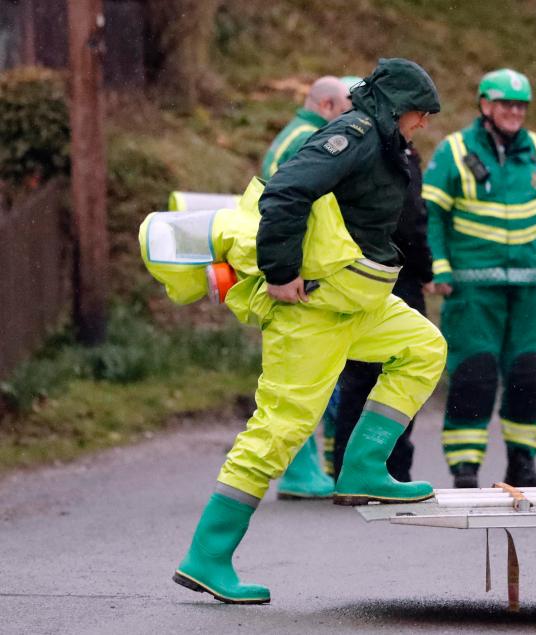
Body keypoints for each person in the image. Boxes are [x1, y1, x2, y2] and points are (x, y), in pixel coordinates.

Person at [172, 58, 445, 605]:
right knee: (279, 429)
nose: (423, 126)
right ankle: (208, 556)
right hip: (314, 311)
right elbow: (285, 193)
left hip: (357, 302)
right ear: (398, 108)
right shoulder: (355, 135)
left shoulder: (384, 142)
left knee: (422, 348)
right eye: (419, 115)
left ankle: (364, 467)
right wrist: (279, 273)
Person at [422, 68, 536, 489]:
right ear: (485, 106)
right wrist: (436, 265)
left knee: (529, 375)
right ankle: (464, 468)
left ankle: (523, 463)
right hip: (473, 292)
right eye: (505, 104)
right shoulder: (454, 151)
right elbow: (431, 215)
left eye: (520, 105)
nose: (514, 112)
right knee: (473, 376)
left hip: (529, 292)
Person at [258, 75, 355, 499]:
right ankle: (300, 471)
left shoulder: (293, 135)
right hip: (296, 276)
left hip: (286, 269)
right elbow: (296, 207)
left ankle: (312, 467)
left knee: (300, 373)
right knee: (302, 375)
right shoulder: (310, 139)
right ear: (330, 106)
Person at [327, 141, 433, 482]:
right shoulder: (395, 154)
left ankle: (344, 468)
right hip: (394, 272)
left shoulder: (352, 151)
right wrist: (426, 267)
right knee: (402, 371)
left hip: (354, 273)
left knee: (357, 375)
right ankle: (391, 469)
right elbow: (410, 217)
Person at [260, 75, 352, 179]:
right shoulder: (310, 137)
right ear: (326, 105)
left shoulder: (299, 126)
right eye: (343, 111)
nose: (344, 118)